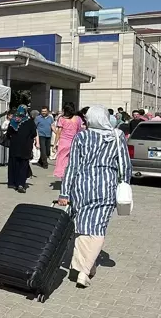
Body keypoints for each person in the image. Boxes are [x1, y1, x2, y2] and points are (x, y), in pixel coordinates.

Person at [58, 105, 131, 288]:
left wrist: (64, 192)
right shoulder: (117, 135)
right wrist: (125, 183)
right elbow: (124, 164)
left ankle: (82, 267)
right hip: (106, 188)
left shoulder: (81, 136)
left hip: (82, 187)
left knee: (82, 228)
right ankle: (84, 271)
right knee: (98, 229)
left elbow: (72, 166)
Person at [6, 105, 38, 193]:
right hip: (25, 147)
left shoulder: (13, 121)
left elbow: (8, 134)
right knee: (23, 165)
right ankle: (21, 184)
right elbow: (33, 134)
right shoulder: (30, 122)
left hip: (14, 146)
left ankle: (12, 182)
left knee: (14, 164)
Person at [53, 104, 84, 179]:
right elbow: (80, 130)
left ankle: (62, 175)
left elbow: (58, 132)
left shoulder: (62, 119)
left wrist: (55, 144)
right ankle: (72, 175)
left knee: (61, 159)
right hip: (74, 141)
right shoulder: (78, 118)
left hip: (64, 141)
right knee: (73, 159)